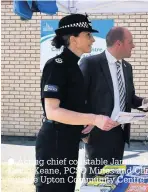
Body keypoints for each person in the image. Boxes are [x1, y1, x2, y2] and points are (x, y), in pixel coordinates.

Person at [35, 14, 118, 192]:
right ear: (73, 39)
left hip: (68, 140)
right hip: (54, 143)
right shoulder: (56, 65)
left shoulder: (74, 66)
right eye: (88, 35)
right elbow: (52, 111)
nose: (93, 39)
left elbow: (71, 105)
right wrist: (94, 118)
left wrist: (83, 122)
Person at [79, 26, 148, 179]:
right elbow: (76, 97)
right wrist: (82, 129)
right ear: (118, 44)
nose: (133, 46)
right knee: (95, 181)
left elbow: (129, 98)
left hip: (119, 133)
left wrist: (144, 102)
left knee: (115, 179)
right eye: (130, 42)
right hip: (97, 134)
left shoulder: (127, 68)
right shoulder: (91, 64)